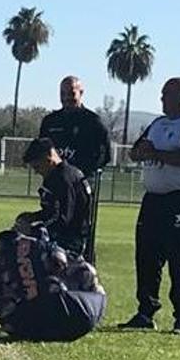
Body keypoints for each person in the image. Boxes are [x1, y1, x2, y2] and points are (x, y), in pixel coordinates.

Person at [117, 78, 180, 336]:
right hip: (153, 200)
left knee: (179, 260)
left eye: (166, 95)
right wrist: (143, 151)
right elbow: (134, 152)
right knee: (146, 257)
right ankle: (145, 312)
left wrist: (156, 153)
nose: (161, 100)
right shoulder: (157, 124)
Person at [37, 76, 112, 263]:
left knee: (80, 233)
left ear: (81, 93)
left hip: (80, 190)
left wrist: (78, 175)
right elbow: (41, 151)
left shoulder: (93, 123)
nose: (66, 98)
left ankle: (85, 271)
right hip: (54, 188)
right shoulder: (50, 122)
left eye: (71, 93)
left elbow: (104, 156)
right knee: (52, 227)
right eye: (62, 93)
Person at [15, 137, 93, 256]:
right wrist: (32, 217)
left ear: (49, 157)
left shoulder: (64, 179)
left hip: (69, 243)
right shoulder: (55, 176)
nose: (36, 172)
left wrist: (33, 231)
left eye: (37, 167)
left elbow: (64, 219)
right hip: (61, 238)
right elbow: (52, 212)